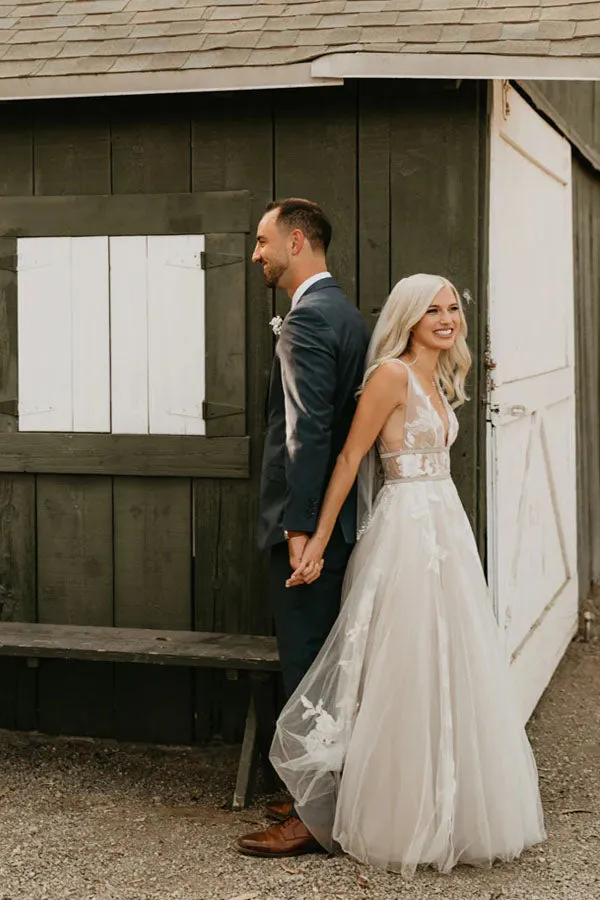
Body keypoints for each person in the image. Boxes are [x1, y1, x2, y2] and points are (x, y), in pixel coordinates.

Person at [260, 273, 546, 873]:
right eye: (432, 311)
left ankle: (454, 806)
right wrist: (310, 538)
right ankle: (395, 813)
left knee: (453, 661)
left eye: (452, 310)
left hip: (446, 528)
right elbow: (348, 458)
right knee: (403, 665)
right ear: (409, 320)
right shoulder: (391, 375)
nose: (447, 320)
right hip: (406, 533)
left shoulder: (440, 376)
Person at [237, 199, 370, 857]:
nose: (256, 254)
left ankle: (313, 817)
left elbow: (306, 433)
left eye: (263, 242)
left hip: (311, 532)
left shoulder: (310, 321)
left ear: (296, 240)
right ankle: (309, 792)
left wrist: (298, 530)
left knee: (308, 667)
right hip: (334, 526)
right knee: (321, 661)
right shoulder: (343, 313)